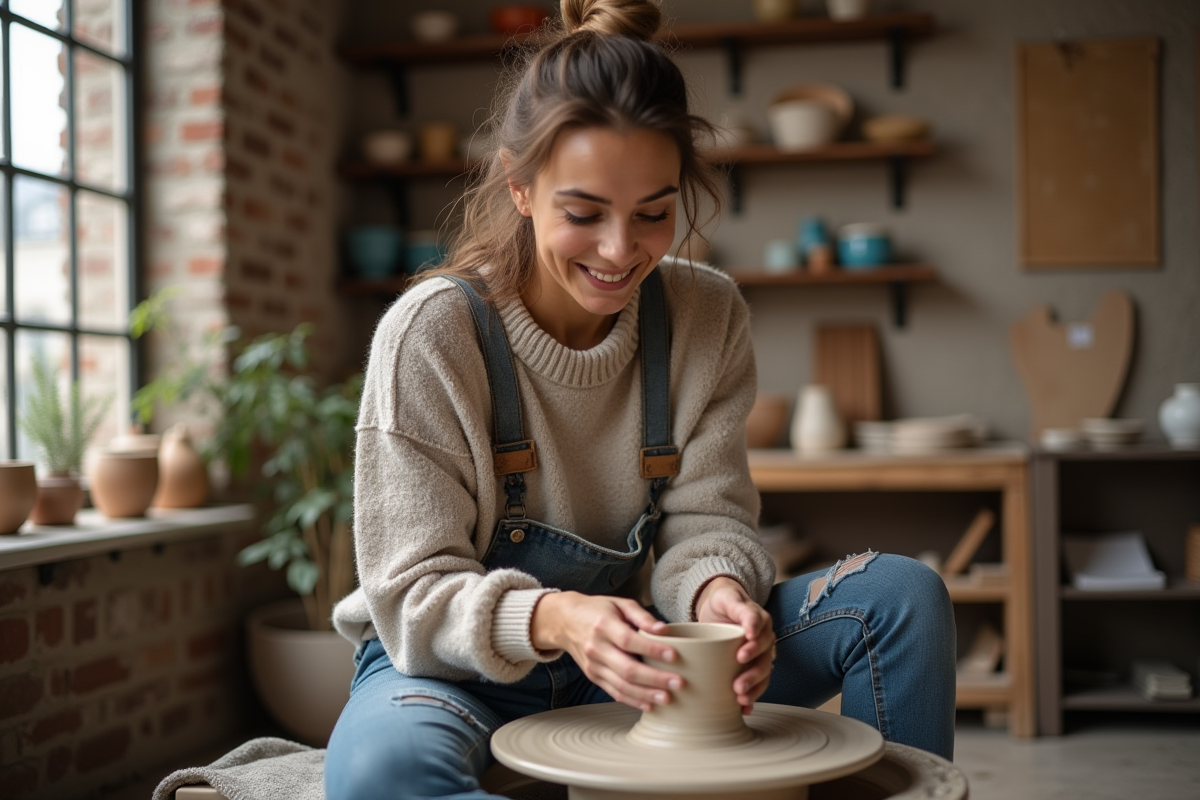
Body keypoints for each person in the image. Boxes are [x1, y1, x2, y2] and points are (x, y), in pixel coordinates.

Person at [325, 2, 955, 797]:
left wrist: (719, 595)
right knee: (382, 772)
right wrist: (557, 620)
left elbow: (707, 523)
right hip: (452, 672)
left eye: (654, 213)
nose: (621, 252)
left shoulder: (706, 314)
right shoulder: (434, 334)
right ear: (520, 188)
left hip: (640, 663)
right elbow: (410, 595)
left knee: (899, 599)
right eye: (583, 214)